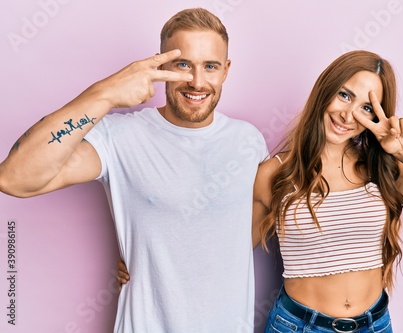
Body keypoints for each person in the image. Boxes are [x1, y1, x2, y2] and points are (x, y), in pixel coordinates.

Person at [0, 8, 268, 333]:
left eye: (210, 66)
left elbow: (244, 224)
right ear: (160, 66)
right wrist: (107, 93)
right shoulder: (119, 136)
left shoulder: (248, 140)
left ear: (225, 70)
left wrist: (157, 252)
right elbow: (14, 178)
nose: (197, 82)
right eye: (183, 64)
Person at [250, 50, 403, 332]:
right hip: (298, 326)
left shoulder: (381, 171)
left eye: (367, 108)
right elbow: (231, 253)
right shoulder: (273, 174)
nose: (348, 115)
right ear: (325, 89)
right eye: (344, 95)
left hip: (374, 325)